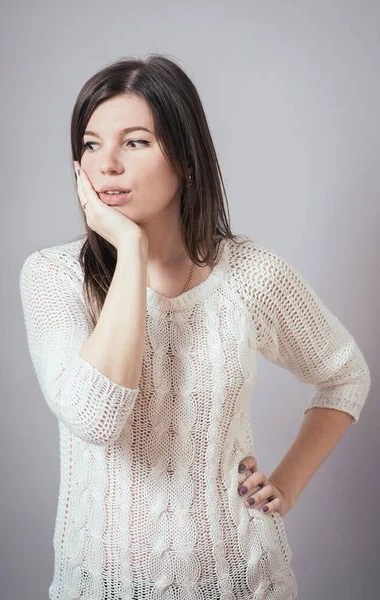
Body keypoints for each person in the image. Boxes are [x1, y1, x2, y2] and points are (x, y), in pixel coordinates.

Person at [19, 54, 371, 600]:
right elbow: (97, 416)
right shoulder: (53, 279)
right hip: (102, 586)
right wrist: (131, 253)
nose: (106, 164)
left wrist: (289, 481)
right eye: (91, 144)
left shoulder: (251, 275)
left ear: (185, 160)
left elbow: (345, 374)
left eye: (135, 142)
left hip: (243, 582)